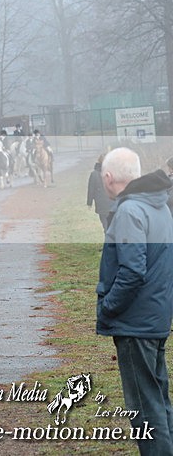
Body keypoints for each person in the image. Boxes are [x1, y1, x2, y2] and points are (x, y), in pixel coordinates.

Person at [96, 147, 173, 455]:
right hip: (155, 317)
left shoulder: (130, 211)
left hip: (135, 322)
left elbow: (132, 270)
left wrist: (109, 307)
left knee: (144, 408)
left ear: (108, 177)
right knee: (159, 400)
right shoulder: (161, 205)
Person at [87, 153, 114, 233]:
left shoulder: (94, 174)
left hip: (101, 204)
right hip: (113, 203)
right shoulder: (113, 173)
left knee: (105, 225)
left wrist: (89, 202)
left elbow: (91, 189)